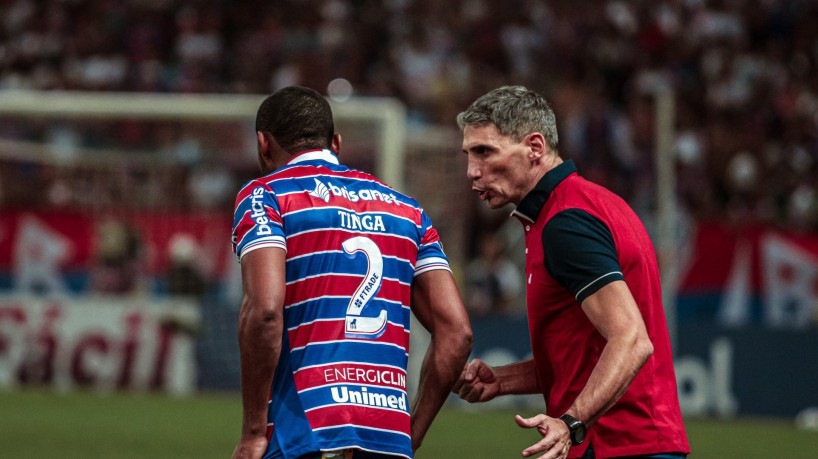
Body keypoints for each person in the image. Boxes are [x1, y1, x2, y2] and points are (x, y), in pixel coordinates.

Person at [230, 86, 472, 459]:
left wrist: (251, 432)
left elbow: (263, 311)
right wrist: (413, 432)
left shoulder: (266, 196)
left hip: (306, 431)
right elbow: (456, 333)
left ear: (264, 145)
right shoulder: (407, 209)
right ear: (337, 143)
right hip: (388, 435)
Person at [452, 85, 689, 459]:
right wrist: (502, 380)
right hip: (634, 441)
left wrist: (572, 422)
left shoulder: (566, 223)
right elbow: (582, 356)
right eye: (468, 154)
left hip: (618, 444)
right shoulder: (586, 205)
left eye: (485, 152)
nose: (472, 171)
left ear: (534, 147)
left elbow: (631, 339)